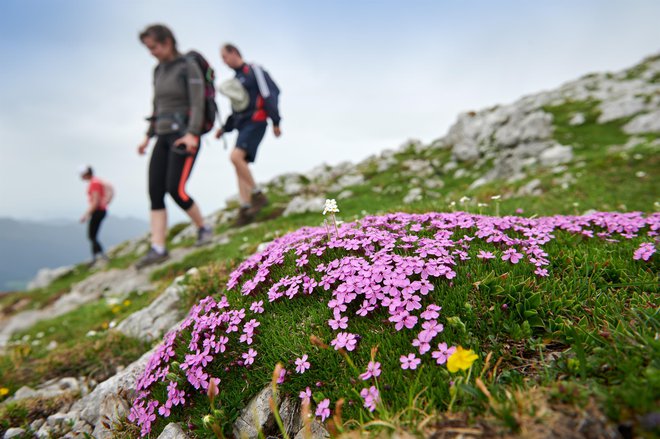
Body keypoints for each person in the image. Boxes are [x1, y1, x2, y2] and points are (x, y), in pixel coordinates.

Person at [136, 24, 213, 269]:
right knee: (155, 190)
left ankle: (203, 228)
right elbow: (156, 106)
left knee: (175, 189)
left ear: (168, 41)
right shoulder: (157, 70)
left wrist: (192, 133)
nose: (152, 52)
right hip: (162, 134)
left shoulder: (187, 66)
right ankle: (158, 248)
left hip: (183, 135)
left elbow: (198, 101)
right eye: (148, 48)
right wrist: (147, 136)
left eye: (154, 47)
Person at [215, 43, 282, 226]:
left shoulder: (254, 70)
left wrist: (276, 121)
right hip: (243, 124)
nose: (224, 61)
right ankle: (245, 209)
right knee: (239, 164)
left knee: (235, 157)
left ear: (234, 52)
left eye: (224, 56)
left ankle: (257, 194)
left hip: (257, 120)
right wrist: (225, 128)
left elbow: (270, 93)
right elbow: (237, 108)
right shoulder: (236, 79)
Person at [79, 165, 112, 265]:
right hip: (100, 211)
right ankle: (97, 257)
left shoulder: (94, 183)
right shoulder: (97, 181)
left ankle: (100, 256)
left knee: (92, 235)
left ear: (86, 174)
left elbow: (95, 201)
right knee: (93, 235)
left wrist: (86, 214)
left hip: (98, 211)